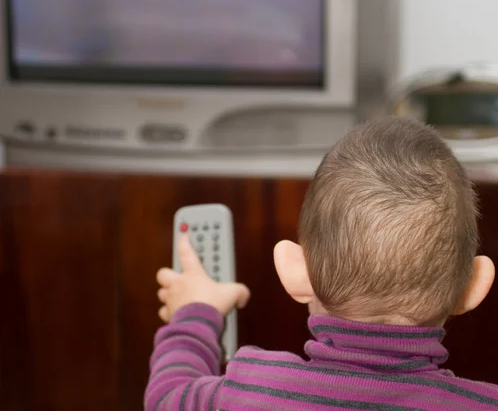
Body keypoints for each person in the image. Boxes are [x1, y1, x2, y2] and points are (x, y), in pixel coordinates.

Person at [144, 117, 498, 410]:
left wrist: (194, 313)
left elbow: (167, 396)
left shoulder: (249, 391)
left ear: (295, 270)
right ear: (473, 286)